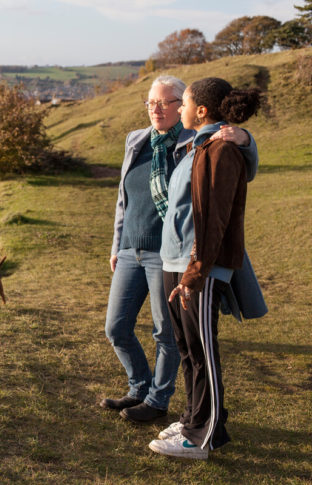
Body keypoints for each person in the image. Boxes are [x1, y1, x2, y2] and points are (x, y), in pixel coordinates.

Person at [101, 75, 258, 424]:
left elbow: (238, 156)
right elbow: (123, 200)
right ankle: (138, 387)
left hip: (169, 254)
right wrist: (117, 244)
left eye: (166, 102)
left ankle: (158, 401)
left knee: (167, 334)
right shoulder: (135, 140)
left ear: (183, 107)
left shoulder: (196, 139)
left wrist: (246, 138)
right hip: (130, 249)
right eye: (150, 103)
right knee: (116, 328)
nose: (155, 109)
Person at [148, 77, 263, 459]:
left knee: (204, 350)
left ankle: (204, 436)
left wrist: (194, 274)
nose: (177, 108)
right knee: (188, 350)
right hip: (175, 260)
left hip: (198, 266)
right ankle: (194, 418)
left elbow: (212, 218)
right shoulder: (195, 146)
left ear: (200, 110)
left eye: (184, 103)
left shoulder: (221, 149)